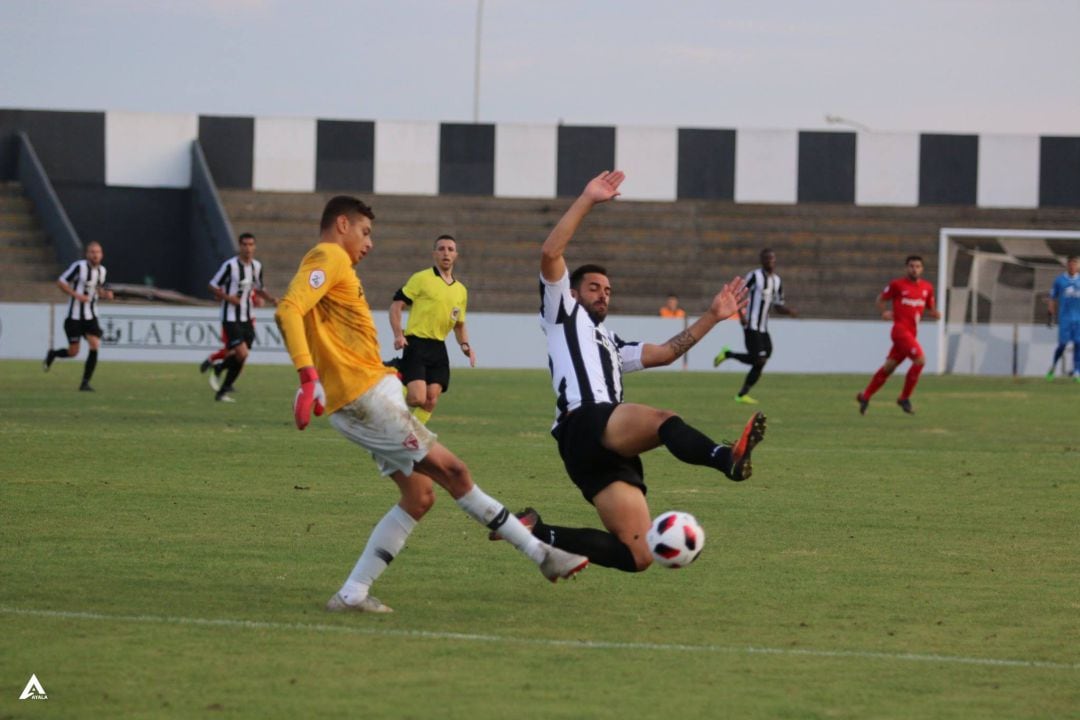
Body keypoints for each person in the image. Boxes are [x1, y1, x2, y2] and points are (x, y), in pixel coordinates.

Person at [274, 195, 588, 613]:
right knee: (455, 471)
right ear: (343, 224)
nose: (369, 243)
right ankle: (541, 555)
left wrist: (316, 376)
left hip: (367, 395)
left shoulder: (337, 266)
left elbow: (315, 327)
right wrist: (307, 375)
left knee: (420, 497)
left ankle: (352, 593)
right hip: (366, 398)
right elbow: (289, 308)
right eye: (365, 233)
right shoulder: (329, 255)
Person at [492, 171, 766, 574]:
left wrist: (712, 316)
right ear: (572, 292)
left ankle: (535, 529)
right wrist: (587, 198)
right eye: (594, 287)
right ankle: (725, 458)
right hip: (586, 419)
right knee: (663, 421)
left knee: (637, 556)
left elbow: (666, 353)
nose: (603, 293)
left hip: (595, 446)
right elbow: (551, 253)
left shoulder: (612, 342)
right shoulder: (561, 313)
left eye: (607, 290)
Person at [388, 234, 476, 424]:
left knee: (430, 400)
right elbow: (396, 305)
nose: (446, 253)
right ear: (434, 254)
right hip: (416, 344)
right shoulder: (421, 278)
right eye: (441, 249)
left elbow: (459, 324)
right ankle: (393, 375)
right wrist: (398, 334)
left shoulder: (461, 290)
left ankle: (410, 438)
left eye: (450, 249)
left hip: (438, 347)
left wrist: (466, 345)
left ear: (456, 255)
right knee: (417, 398)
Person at [857, 255, 941, 415]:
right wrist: (884, 312)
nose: (914, 269)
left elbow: (929, 307)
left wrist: (934, 313)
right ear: (906, 268)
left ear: (922, 269)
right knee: (920, 360)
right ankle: (904, 398)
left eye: (917, 266)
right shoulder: (897, 285)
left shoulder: (927, 288)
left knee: (889, 368)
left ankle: (865, 396)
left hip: (912, 333)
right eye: (911, 266)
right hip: (900, 331)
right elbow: (880, 299)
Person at [712, 248, 798, 404]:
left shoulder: (777, 281)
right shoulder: (754, 276)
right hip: (750, 324)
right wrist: (741, 316)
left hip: (763, 327)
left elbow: (778, 306)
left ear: (775, 260)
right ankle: (741, 392)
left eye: (772, 258)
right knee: (760, 360)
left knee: (763, 357)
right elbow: (738, 295)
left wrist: (789, 311)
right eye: (767, 258)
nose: (770, 261)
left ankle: (730, 359)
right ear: (762, 260)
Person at [203, 233, 276, 402]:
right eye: (244, 245)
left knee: (241, 357)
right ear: (240, 246)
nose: (248, 248)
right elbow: (212, 285)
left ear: (254, 247)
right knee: (241, 354)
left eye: (251, 245)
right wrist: (229, 298)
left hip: (248, 317)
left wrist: (271, 299)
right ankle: (220, 371)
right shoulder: (230, 266)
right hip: (230, 316)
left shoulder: (256, 266)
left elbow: (258, 288)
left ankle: (222, 387)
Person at [43, 241, 114, 391]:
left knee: (94, 345)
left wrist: (106, 294)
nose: (95, 255)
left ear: (102, 255)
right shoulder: (79, 267)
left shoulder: (102, 271)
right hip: (74, 317)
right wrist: (77, 295)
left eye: (98, 252)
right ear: (87, 254)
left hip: (91, 316)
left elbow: (99, 289)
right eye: (92, 252)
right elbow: (61, 282)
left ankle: (85, 383)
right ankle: (53, 353)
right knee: (73, 352)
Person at [1047, 254, 1080, 381]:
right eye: (1071, 264)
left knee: (1079, 343)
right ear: (1067, 265)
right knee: (1062, 345)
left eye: (1075, 264)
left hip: (1079, 320)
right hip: (1065, 319)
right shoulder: (1060, 280)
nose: (1073, 266)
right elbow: (1052, 297)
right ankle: (1053, 366)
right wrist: (1051, 314)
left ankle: (1077, 371)